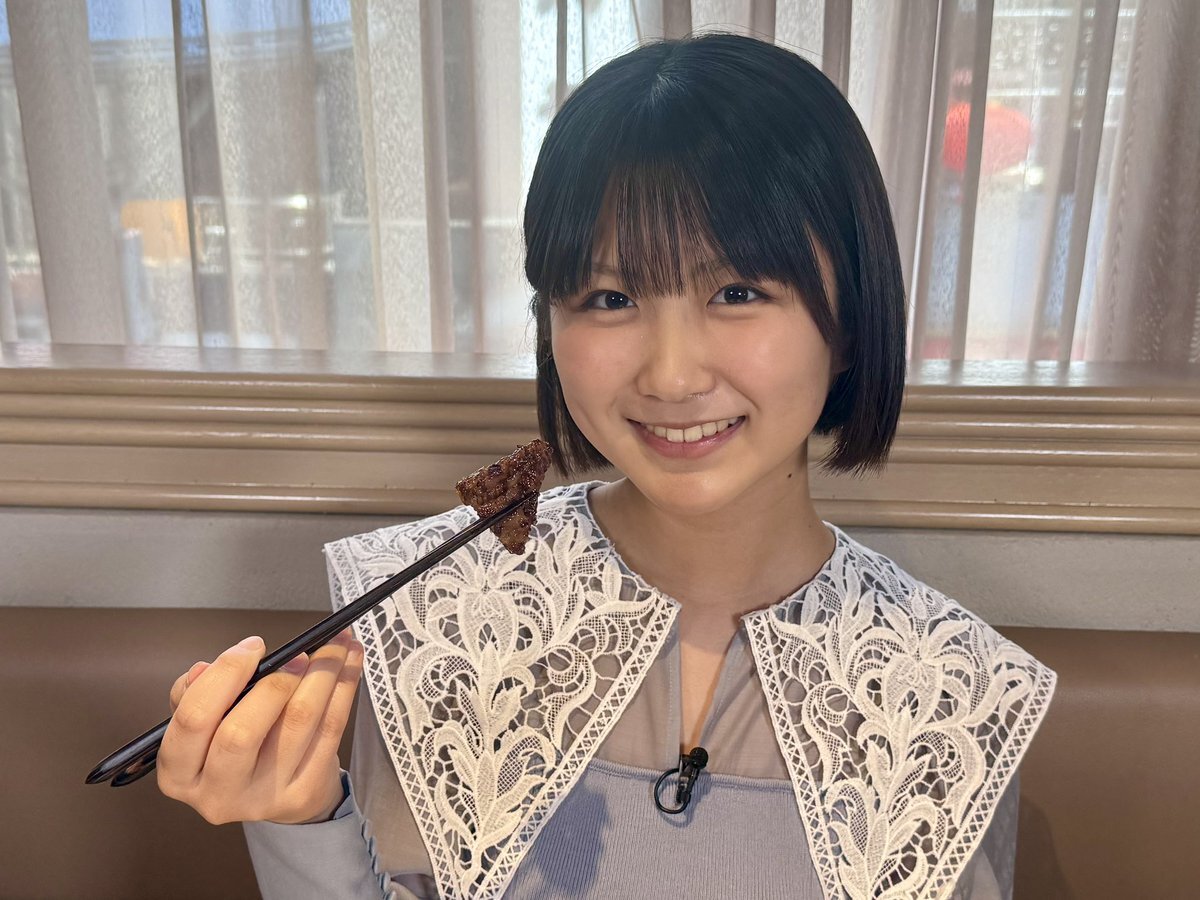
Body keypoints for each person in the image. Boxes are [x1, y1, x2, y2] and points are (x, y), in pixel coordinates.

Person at [156, 32, 1057, 899]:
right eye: (610, 297)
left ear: (850, 318)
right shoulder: (440, 615)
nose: (671, 375)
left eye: (737, 291)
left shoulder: (957, 693)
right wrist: (300, 820)